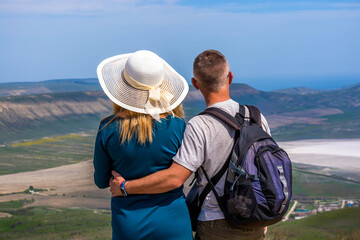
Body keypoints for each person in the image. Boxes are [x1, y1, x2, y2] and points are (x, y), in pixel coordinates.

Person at [110, 49, 271, 240]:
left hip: (216, 221)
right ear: (230, 77)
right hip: (256, 218)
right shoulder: (256, 117)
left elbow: (174, 179)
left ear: (195, 83)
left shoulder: (199, 125)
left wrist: (125, 187)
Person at [93, 50, 193, 240]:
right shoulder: (177, 126)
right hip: (173, 220)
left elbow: (100, 180)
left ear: (122, 87)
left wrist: (123, 185)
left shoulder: (108, 128)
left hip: (129, 223)